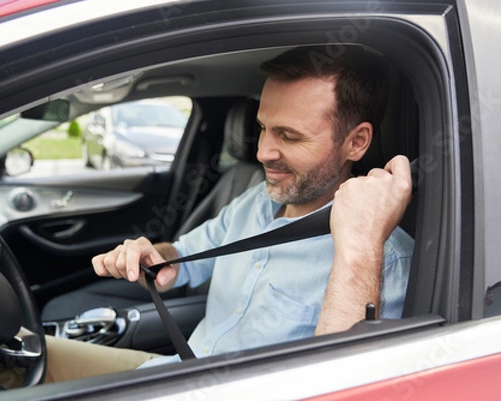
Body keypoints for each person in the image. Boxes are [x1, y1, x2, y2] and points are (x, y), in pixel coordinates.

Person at [41, 45, 414, 382]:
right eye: (263, 128)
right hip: (177, 372)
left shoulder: (383, 259)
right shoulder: (254, 202)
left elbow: (344, 385)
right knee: (23, 356)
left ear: (357, 142)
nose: (263, 151)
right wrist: (155, 257)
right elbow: (182, 258)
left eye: (289, 136)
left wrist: (360, 248)